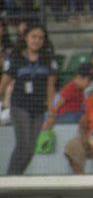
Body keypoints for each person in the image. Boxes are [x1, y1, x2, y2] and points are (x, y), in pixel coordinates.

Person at [1, 24, 57, 175]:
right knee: (23, 144)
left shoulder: (48, 59)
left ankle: (16, 177)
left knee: (31, 148)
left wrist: (52, 113)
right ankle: (10, 180)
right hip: (20, 106)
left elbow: (51, 88)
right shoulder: (16, 57)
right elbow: (4, 83)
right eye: (33, 36)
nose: (36, 40)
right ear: (25, 37)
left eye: (40, 37)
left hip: (39, 108)